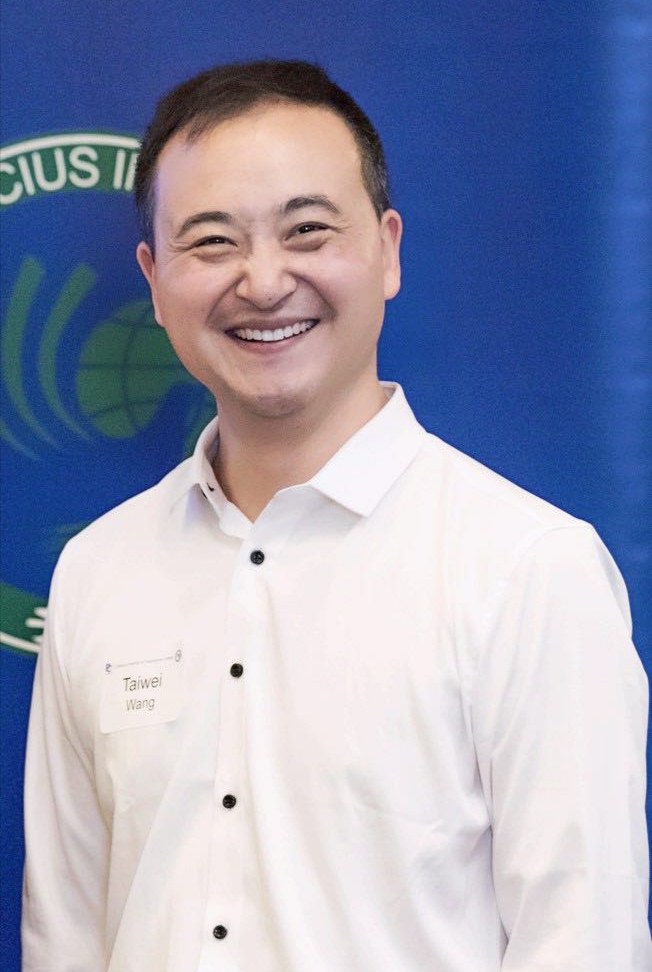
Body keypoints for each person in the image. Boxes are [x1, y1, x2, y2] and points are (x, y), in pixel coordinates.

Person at [22, 59, 650, 972]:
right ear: (154, 281)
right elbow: (66, 932)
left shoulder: (528, 568)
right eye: (212, 242)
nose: (263, 280)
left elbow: (584, 942)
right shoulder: (97, 569)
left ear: (388, 250)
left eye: (307, 230)